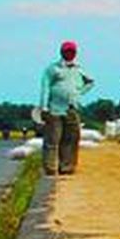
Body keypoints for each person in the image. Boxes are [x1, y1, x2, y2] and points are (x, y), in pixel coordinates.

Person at [39, 41, 94, 176]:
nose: (70, 54)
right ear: (62, 52)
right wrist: (43, 107)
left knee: (71, 138)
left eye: (72, 51)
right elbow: (45, 87)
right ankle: (50, 167)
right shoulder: (53, 69)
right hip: (54, 109)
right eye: (67, 51)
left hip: (72, 107)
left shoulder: (78, 69)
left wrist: (78, 91)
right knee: (53, 139)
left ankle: (67, 167)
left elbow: (91, 81)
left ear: (75, 53)